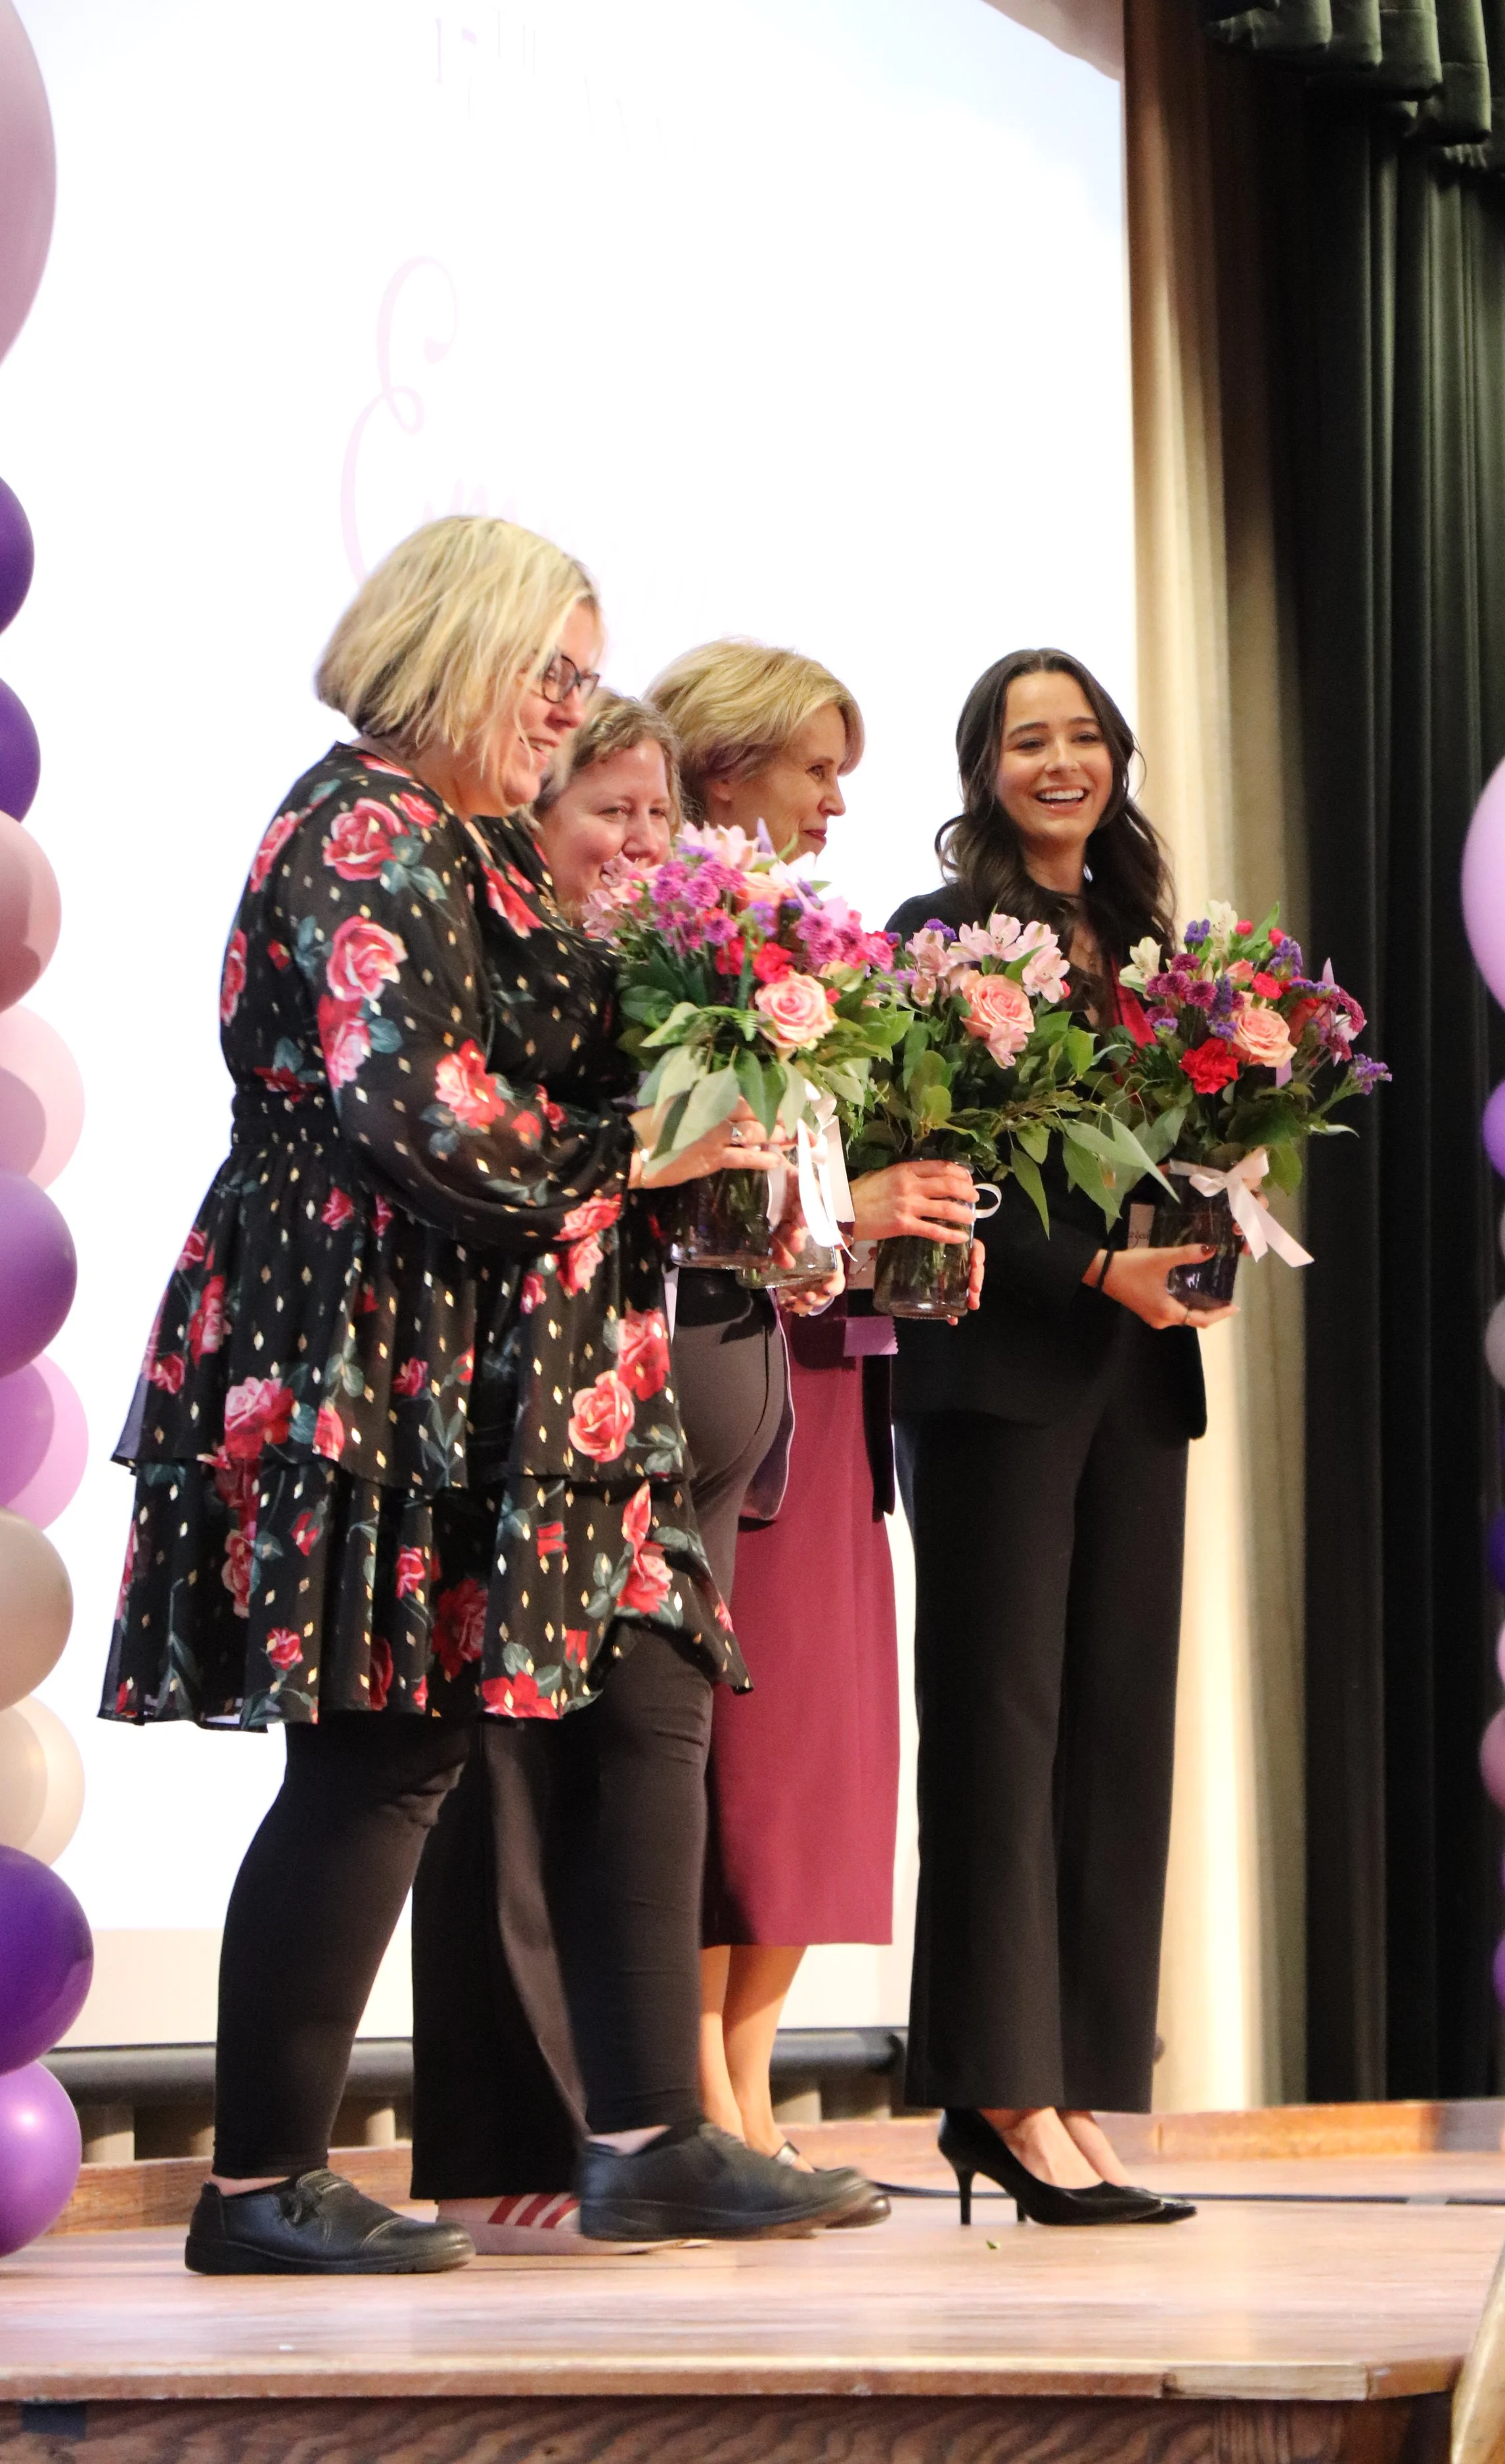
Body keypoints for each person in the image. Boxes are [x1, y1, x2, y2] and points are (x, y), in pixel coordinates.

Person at [101, 516, 797, 2274]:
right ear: (451, 652)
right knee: (381, 1742)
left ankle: (650, 2133)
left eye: (580, 680)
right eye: (548, 675)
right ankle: (257, 2175)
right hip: (369, 1338)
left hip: (511, 1356)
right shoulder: (359, 829)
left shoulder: (482, 844)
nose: (569, 714)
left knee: (641, 1672)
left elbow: (578, 1067)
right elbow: (420, 1116)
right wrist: (649, 1148)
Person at [409, 687, 887, 2248]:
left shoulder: (675, 965)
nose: (636, 840)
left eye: (654, 816)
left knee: (645, 1768)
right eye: (604, 810)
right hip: (538, 1412)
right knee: (502, 1773)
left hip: (679, 1406)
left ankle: (647, 2135)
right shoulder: (493, 955)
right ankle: (510, 2142)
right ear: (530, 813)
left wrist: (799, 1227)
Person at [885, 647, 1228, 2228]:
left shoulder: (1151, 936)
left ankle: (1077, 2084)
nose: (1060, 761)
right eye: (1029, 739)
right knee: (998, 1738)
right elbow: (929, 1174)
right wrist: (1088, 1263)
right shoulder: (933, 944)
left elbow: (1187, 1148)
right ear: (982, 766)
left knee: (1111, 1745)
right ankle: (998, 2091)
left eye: (1082, 734)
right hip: (997, 1374)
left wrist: (1204, 1234)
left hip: (1131, 1376)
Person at [647, 641, 978, 2167]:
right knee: (737, 1747)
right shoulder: (672, 957)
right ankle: (693, 2091)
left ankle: (753, 2081)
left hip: (839, 1380)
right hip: (729, 1367)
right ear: (726, 770)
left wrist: (907, 1227)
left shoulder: (830, 962)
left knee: (818, 1756)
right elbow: (704, 1200)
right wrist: (851, 1221)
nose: (839, 801)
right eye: (814, 769)